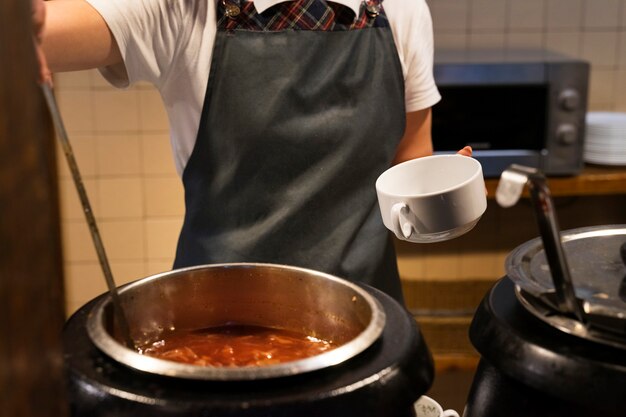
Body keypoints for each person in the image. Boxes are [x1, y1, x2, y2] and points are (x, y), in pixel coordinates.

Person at [34, 0, 472, 304]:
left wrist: (440, 195)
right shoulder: (186, 11)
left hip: (365, 322)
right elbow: (43, 34)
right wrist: (26, 26)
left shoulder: (402, 11)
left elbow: (410, 157)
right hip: (216, 326)